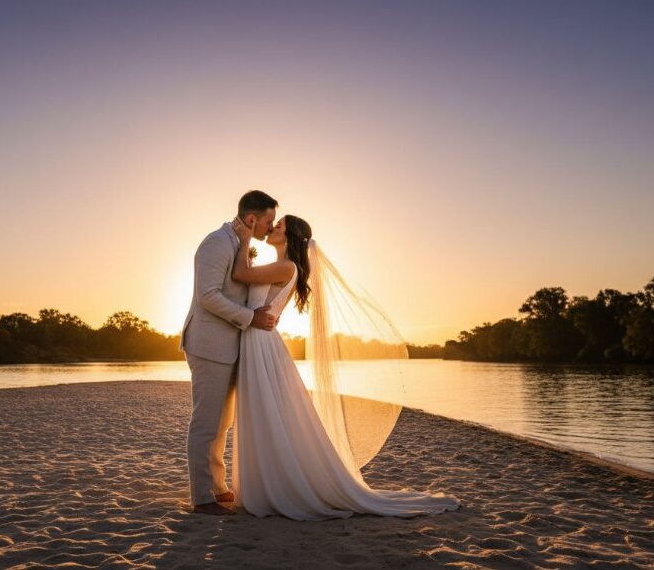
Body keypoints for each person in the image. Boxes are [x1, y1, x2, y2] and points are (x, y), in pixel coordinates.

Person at [228, 214, 461, 520]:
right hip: (259, 339)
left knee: (268, 411)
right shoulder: (281, 266)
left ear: (293, 237)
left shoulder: (287, 267)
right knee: (267, 412)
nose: (272, 228)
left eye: (279, 225)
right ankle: (270, 480)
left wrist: (244, 236)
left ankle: (279, 485)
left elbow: (239, 273)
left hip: (261, 341)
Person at [179, 190, 279, 515]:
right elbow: (207, 296)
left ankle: (218, 486)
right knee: (206, 423)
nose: (270, 227)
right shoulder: (217, 243)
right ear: (252, 219)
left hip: (229, 347)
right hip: (209, 345)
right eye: (268, 221)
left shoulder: (239, 245)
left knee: (222, 424)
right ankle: (201, 497)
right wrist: (251, 318)